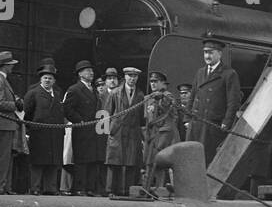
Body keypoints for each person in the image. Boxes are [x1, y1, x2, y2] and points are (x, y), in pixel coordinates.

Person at [188, 34, 242, 163]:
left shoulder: (229, 74)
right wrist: (187, 118)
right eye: (205, 52)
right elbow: (193, 95)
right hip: (197, 125)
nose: (207, 56)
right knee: (193, 159)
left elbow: (233, 102)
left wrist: (226, 123)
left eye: (211, 53)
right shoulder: (200, 72)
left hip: (214, 126)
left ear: (219, 54)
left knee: (209, 160)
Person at [22, 65, 66, 194]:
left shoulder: (57, 95)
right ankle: (35, 188)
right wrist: (29, 131)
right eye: (45, 78)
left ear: (54, 81)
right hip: (39, 134)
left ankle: (50, 188)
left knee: (52, 162)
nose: (47, 80)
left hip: (54, 134)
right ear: (41, 80)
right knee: (37, 162)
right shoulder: (33, 93)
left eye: (50, 78)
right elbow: (27, 114)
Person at [64, 59, 103, 196]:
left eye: (91, 70)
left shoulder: (94, 90)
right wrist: (78, 120)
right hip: (82, 130)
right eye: (87, 70)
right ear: (80, 74)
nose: (91, 73)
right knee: (81, 160)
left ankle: (90, 188)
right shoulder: (74, 89)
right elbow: (67, 109)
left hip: (93, 130)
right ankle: (79, 188)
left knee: (92, 159)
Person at [141, 70, 183, 194]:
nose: (152, 84)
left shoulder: (168, 97)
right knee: (149, 162)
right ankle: (148, 187)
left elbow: (171, 113)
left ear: (163, 83)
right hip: (152, 134)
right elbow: (147, 119)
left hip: (165, 134)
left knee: (162, 161)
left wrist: (162, 97)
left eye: (156, 81)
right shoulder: (148, 99)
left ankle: (165, 188)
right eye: (151, 81)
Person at [105, 66, 145, 197]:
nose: (132, 79)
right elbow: (106, 113)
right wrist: (106, 132)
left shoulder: (140, 95)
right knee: (114, 161)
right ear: (125, 77)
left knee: (130, 162)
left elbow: (141, 117)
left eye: (135, 76)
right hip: (117, 131)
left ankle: (127, 190)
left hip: (132, 132)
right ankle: (111, 190)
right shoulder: (115, 93)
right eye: (130, 76)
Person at [0, 51, 21, 194]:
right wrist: (16, 104)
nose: (12, 67)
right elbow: (0, 104)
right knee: (2, 156)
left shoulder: (1, 79)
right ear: (5, 66)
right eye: (10, 65)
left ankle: (4, 186)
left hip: (5, 123)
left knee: (6, 156)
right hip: (3, 123)